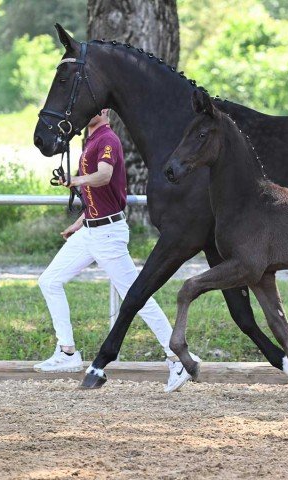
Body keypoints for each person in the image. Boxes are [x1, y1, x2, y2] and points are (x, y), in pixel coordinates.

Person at [33, 109, 198, 392]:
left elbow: (104, 177)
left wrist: (74, 181)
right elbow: (99, 196)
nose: (89, 113)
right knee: (49, 281)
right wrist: (79, 221)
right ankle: (67, 352)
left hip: (108, 235)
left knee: (138, 297)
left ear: (105, 112)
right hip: (91, 230)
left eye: (94, 108)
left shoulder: (108, 139)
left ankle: (179, 358)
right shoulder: (91, 139)